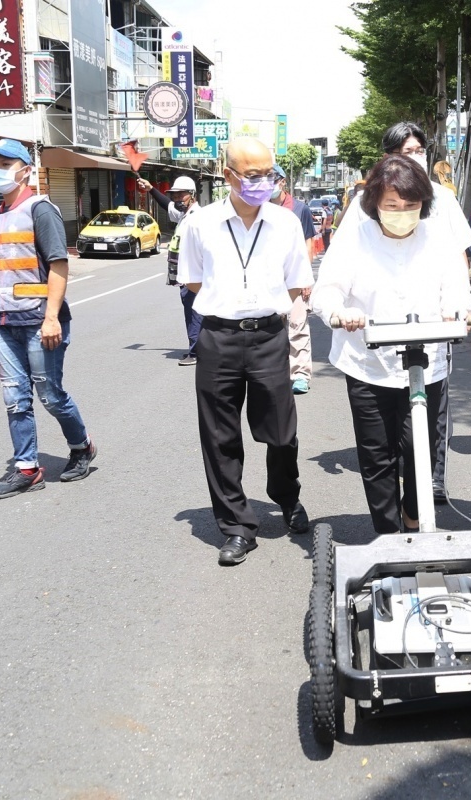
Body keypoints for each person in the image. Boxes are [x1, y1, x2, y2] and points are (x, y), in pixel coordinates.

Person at [312, 155, 471, 533]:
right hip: (368, 363)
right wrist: (339, 312)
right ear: (375, 206)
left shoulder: (437, 238)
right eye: (392, 206)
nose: (402, 213)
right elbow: (327, 290)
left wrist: (455, 311)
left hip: (426, 360)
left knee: (421, 448)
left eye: (411, 206)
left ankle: (413, 517)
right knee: (377, 455)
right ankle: (387, 535)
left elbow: (456, 287)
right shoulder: (355, 238)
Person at [176, 137, 313, 565]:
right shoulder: (201, 224)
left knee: (281, 430)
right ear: (228, 175)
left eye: (268, 175)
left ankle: (286, 496)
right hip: (218, 337)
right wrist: (231, 303)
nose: (261, 183)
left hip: (270, 335)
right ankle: (236, 526)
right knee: (219, 436)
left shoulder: (286, 223)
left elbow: (296, 283)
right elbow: (193, 280)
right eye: (251, 175)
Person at [0, 139, 96, 499]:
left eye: (5, 162)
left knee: (50, 395)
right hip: (5, 322)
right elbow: (2, 274)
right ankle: (27, 468)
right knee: (15, 398)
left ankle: (81, 446)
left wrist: (51, 318)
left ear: (26, 169)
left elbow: (59, 266)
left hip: (41, 321)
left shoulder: (41, 210)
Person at [140, 175, 202, 366]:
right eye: (174, 195)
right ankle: (199, 349)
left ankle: (196, 352)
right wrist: (151, 189)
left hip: (194, 276)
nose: (176, 198)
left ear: (191, 195)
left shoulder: (198, 218)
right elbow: (166, 204)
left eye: (180, 195)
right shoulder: (184, 214)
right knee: (192, 313)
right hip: (185, 276)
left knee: (195, 314)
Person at [270, 165, 320, 394]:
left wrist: (306, 280)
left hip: (296, 279)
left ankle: (300, 374)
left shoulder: (300, 209)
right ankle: (277, 372)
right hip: (269, 281)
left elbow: (309, 243)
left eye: (271, 179)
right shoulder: (257, 209)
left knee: (297, 326)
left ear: (281, 181)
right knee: (272, 328)